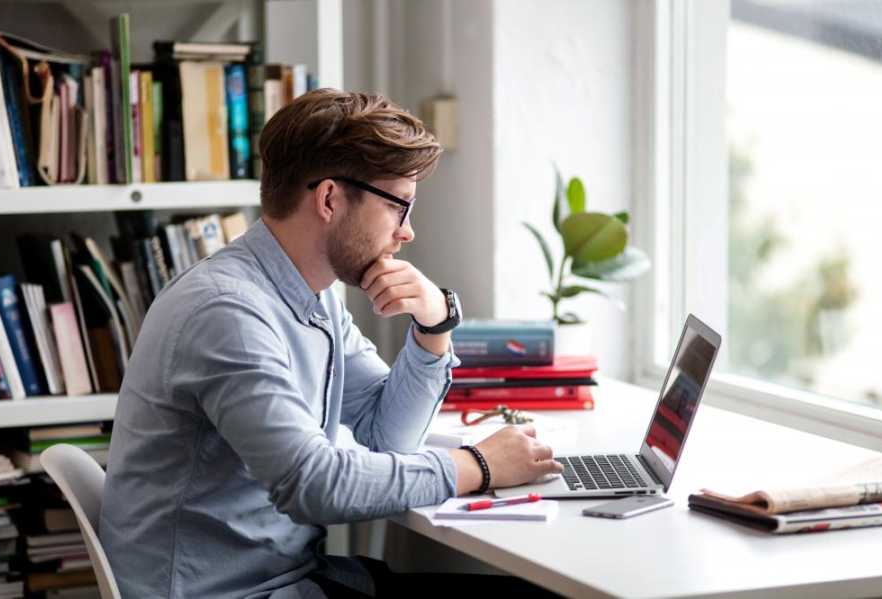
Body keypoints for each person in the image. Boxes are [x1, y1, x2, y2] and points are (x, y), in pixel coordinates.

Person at [100, 89, 564, 598]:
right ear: (329, 199)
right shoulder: (226, 312)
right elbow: (314, 485)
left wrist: (434, 328)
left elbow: (386, 436)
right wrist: (478, 465)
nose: (407, 233)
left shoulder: (314, 296)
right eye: (399, 208)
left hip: (289, 579)